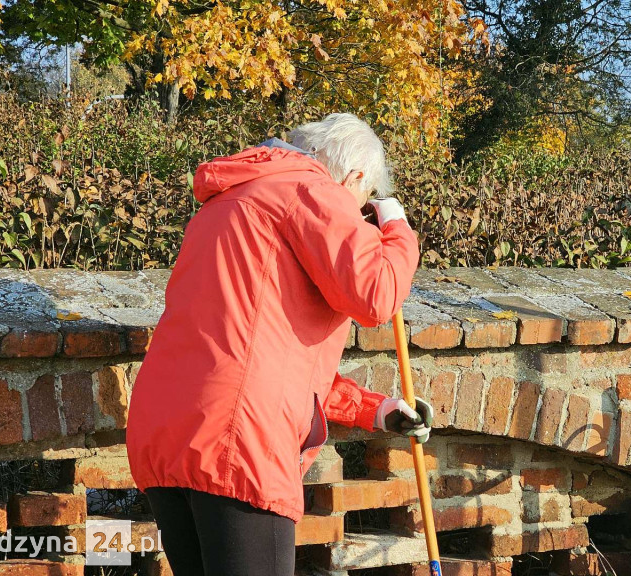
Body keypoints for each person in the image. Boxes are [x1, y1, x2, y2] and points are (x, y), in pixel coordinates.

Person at [126, 113, 433, 576]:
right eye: (363, 199)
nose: (359, 215)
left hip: (171, 435)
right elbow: (378, 295)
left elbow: (259, 352)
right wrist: (395, 224)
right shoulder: (311, 190)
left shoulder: (234, 199)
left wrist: (373, 408)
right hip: (238, 445)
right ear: (354, 179)